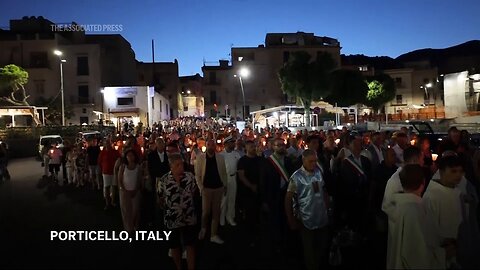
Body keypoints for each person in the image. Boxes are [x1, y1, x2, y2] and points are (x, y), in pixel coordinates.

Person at [285, 149, 329, 270]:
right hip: (306, 219)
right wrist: (291, 219)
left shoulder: (318, 172)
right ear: (303, 160)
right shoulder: (296, 177)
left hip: (321, 216)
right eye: (311, 161)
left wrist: (327, 207)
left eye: (315, 161)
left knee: (321, 246)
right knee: (309, 249)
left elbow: (323, 190)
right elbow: (288, 199)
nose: (314, 164)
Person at [382, 146, 424, 266]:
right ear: (414, 160)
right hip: (400, 228)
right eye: (421, 159)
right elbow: (386, 205)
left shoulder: (414, 175)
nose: (423, 162)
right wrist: (406, 216)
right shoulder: (395, 180)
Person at [423, 154, 465, 269]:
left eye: (460, 171)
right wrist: (442, 252)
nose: (458, 175)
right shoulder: (432, 196)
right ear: (441, 172)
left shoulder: (456, 192)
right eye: (453, 171)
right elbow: (428, 233)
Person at [387, 164, 432, 269]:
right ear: (423, 183)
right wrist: (443, 254)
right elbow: (416, 254)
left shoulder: (398, 204)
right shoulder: (413, 210)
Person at [157, 153, 197, 270]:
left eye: (182, 165)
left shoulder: (190, 177)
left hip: (189, 216)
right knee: (174, 246)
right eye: (178, 165)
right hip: (172, 218)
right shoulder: (164, 181)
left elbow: (194, 192)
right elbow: (160, 198)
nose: (181, 167)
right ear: (171, 166)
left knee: (190, 244)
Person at [260, 137, 294, 252]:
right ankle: (276, 243)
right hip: (273, 195)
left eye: (282, 145)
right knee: (275, 220)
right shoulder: (268, 162)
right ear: (273, 147)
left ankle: (286, 241)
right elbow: (263, 182)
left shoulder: (288, 161)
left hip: (286, 194)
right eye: (278, 145)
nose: (281, 147)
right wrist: (264, 200)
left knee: (286, 217)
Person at [195, 139, 228, 244]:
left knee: (216, 212)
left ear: (215, 147)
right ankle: (203, 228)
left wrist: (224, 185)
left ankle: (213, 234)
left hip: (218, 188)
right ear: (206, 146)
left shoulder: (220, 158)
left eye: (212, 145)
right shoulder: (200, 159)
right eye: (209, 145)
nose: (211, 147)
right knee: (206, 212)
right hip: (206, 189)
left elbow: (223, 173)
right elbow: (198, 175)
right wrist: (201, 187)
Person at [237, 140, 263, 246]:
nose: (253, 148)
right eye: (251, 146)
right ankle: (249, 236)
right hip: (247, 192)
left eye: (254, 146)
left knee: (258, 213)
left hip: (259, 190)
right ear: (246, 148)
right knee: (249, 214)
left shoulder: (260, 160)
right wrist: (251, 186)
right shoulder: (242, 161)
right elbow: (241, 176)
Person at [118, 149, 144, 234]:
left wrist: (136, 189)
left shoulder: (138, 167)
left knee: (135, 210)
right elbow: (120, 179)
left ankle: (135, 225)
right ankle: (128, 228)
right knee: (126, 210)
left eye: (132, 155)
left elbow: (139, 179)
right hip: (125, 192)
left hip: (135, 191)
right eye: (128, 155)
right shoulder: (123, 167)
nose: (130, 157)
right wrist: (124, 190)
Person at [146, 138, 170, 226]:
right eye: (159, 143)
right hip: (155, 179)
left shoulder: (167, 155)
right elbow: (150, 168)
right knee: (154, 200)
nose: (161, 145)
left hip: (165, 179)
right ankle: (153, 219)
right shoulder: (151, 155)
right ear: (156, 145)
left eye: (162, 143)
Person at [220, 135, 242, 226]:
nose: (233, 144)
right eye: (231, 143)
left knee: (232, 199)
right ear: (226, 144)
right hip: (225, 179)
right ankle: (221, 218)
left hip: (233, 178)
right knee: (223, 200)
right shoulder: (221, 155)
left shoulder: (236, 154)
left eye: (233, 142)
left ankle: (230, 217)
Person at [98, 139, 121, 210]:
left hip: (114, 172)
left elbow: (119, 159)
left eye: (108, 143)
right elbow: (99, 162)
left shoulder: (115, 152)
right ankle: (107, 203)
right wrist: (101, 170)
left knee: (114, 187)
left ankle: (112, 201)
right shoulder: (102, 152)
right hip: (106, 172)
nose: (107, 144)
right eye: (106, 143)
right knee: (107, 187)